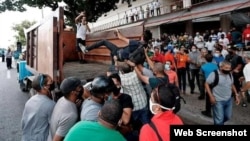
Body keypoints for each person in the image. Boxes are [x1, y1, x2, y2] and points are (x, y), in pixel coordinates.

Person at [82, 29, 152, 66]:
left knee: (104, 41)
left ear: (142, 37)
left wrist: (117, 31)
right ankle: (114, 68)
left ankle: (86, 49)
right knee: (112, 53)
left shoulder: (136, 43)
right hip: (124, 55)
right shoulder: (145, 47)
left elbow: (121, 38)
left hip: (120, 54)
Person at [47, 77, 84, 141]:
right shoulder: (71, 115)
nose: (82, 89)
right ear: (73, 92)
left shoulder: (62, 99)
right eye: (79, 87)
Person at [21, 74, 55, 141]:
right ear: (44, 87)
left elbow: (23, 122)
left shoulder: (30, 101)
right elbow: (54, 128)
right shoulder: (50, 104)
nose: (52, 84)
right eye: (50, 83)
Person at [205, 61, 240, 125]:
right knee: (219, 120)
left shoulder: (230, 74)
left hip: (228, 100)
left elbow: (232, 84)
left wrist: (236, 95)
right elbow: (206, 84)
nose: (228, 70)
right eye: (226, 68)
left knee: (227, 117)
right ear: (221, 67)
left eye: (229, 68)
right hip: (218, 101)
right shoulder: (214, 74)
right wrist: (211, 96)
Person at [108, 73, 135, 140]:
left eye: (117, 84)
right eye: (113, 85)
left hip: (125, 132)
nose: (116, 87)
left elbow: (126, 120)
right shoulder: (107, 97)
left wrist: (114, 101)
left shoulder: (126, 98)